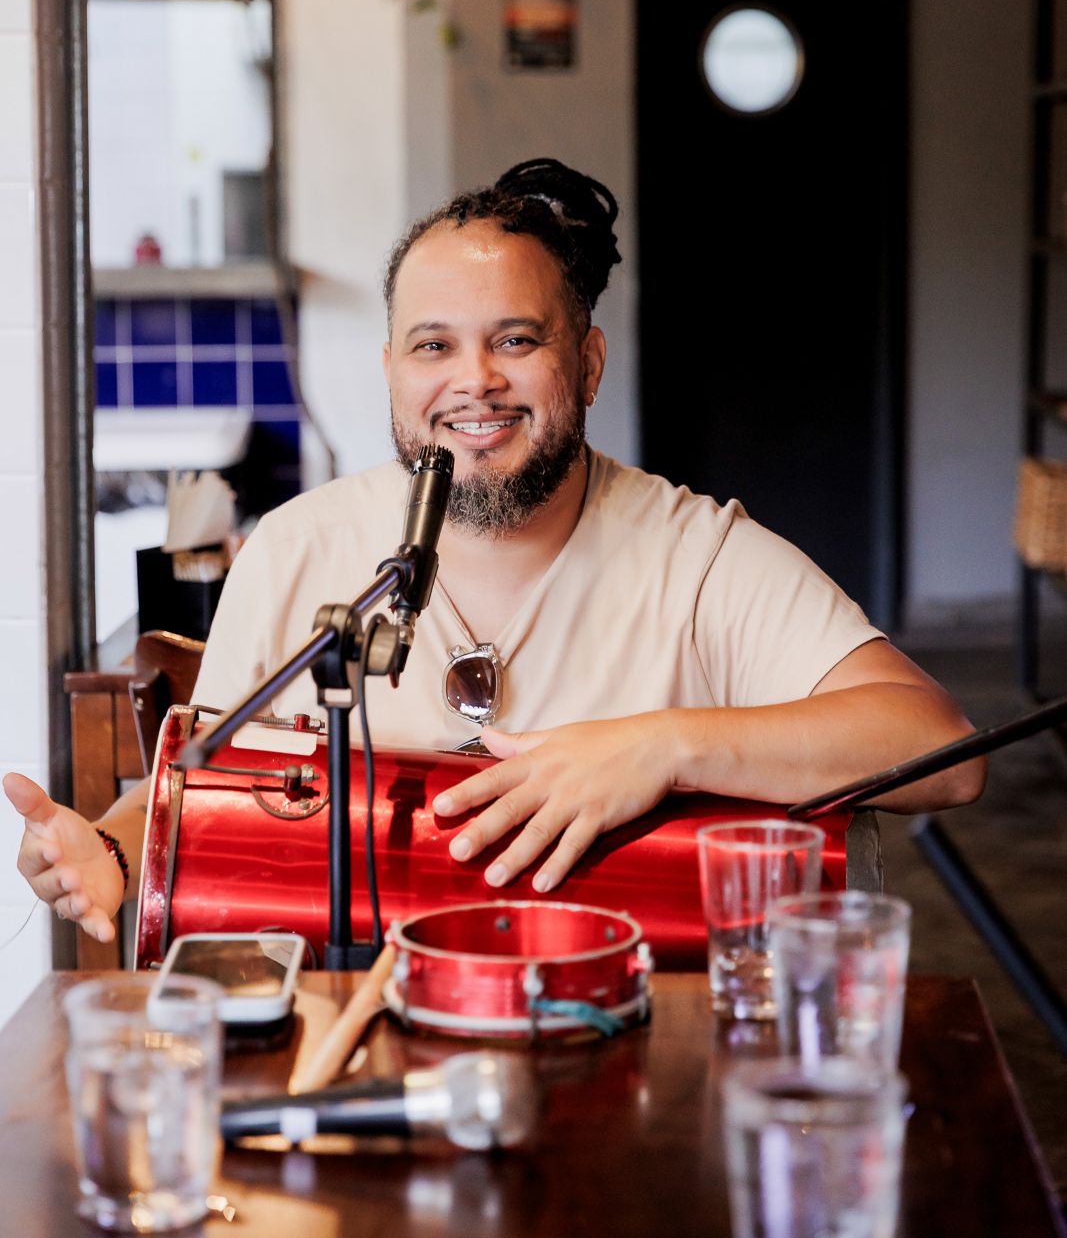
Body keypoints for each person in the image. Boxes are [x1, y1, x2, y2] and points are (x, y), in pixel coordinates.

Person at [5, 158, 985, 944]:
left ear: (586, 363)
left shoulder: (699, 555)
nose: (474, 382)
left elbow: (939, 752)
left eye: (516, 340)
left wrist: (665, 743)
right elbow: (207, 792)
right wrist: (112, 850)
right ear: (390, 371)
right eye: (433, 346)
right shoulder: (299, 548)